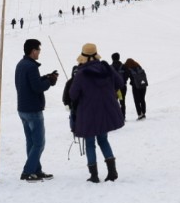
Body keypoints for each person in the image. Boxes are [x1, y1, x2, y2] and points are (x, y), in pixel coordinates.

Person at [69, 43, 125, 182]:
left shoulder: (81, 74)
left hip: (88, 113)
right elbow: (120, 83)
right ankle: (112, 172)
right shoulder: (107, 68)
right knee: (103, 140)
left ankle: (94, 175)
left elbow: (73, 95)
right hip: (105, 111)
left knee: (89, 143)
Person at [14, 38, 59, 182]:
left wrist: (45, 77)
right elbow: (37, 87)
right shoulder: (31, 67)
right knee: (39, 143)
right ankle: (27, 171)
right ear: (33, 51)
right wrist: (50, 82)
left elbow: (30, 83)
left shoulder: (21, 64)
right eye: (38, 50)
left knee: (31, 142)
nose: (39, 52)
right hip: (33, 109)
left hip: (22, 108)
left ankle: (36, 170)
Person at [111, 52, 130, 120]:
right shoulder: (124, 66)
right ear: (119, 58)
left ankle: (115, 117)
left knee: (114, 102)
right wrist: (124, 81)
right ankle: (123, 117)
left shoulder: (110, 67)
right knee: (122, 102)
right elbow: (127, 74)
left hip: (113, 88)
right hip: (122, 87)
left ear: (112, 58)